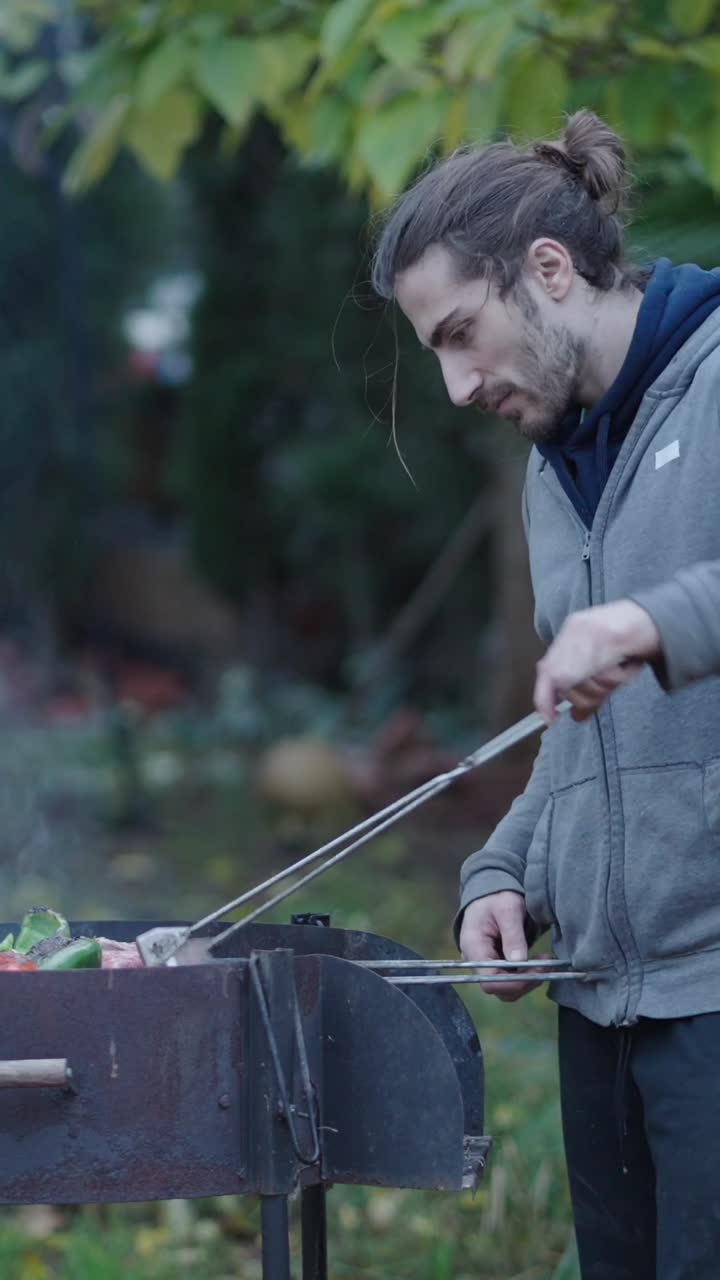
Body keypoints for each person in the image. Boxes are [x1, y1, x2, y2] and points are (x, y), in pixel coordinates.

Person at [370, 109, 720, 1280]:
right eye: (438, 353)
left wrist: (652, 617)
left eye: (464, 334)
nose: (461, 384)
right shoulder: (552, 470)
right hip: (604, 1004)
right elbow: (583, 737)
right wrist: (503, 873)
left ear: (552, 270)